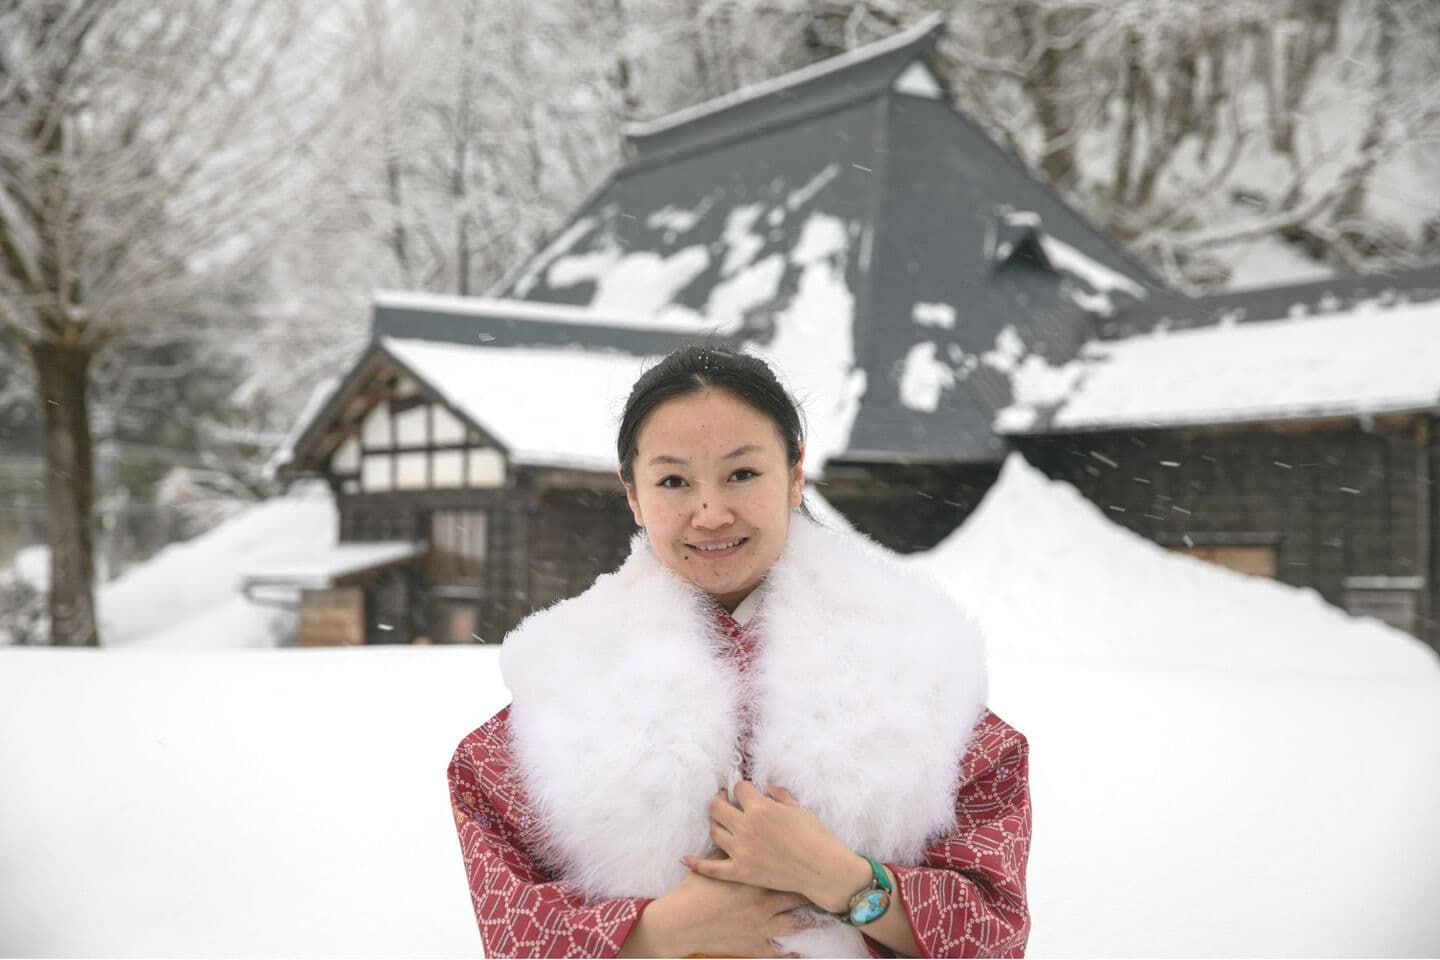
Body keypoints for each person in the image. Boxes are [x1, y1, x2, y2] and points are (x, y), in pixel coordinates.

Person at [447, 345, 1031, 958]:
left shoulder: (920, 663)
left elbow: (996, 933)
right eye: (673, 481)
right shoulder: (561, 684)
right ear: (633, 495)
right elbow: (514, 932)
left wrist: (845, 881)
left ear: (794, 472)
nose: (711, 513)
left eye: (742, 473)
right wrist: (665, 931)